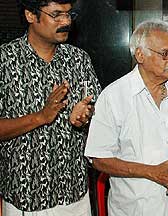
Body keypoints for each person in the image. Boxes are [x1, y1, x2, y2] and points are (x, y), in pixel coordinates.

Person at [84, 20, 168, 216]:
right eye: (165, 54)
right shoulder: (114, 96)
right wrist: (152, 172)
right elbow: (99, 159)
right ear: (140, 55)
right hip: (133, 209)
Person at [0, 0, 100, 215]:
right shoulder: (5, 61)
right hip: (25, 197)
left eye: (68, 14)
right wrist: (41, 117)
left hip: (74, 195)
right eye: (56, 15)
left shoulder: (79, 60)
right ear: (30, 15)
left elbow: (100, 120)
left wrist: (85, 117)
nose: (66, 21)